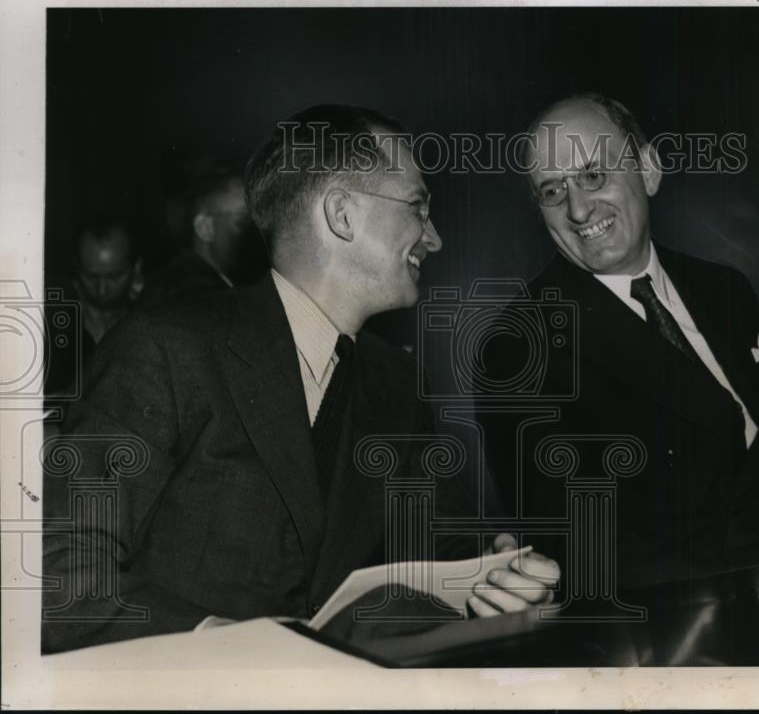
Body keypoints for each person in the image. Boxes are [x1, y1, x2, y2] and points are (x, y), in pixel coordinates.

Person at [42, 105, 558, 654]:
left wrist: (492, 570)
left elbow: (441, 543)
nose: (434, 239)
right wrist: (228, 647)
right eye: (418, 206)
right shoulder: (166, 350)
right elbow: (62, 577)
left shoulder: (398, 382)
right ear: (341, 214)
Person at [481, 94, 759, 593]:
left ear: (648, 170)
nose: (579, 207)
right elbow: (578, 541)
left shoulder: (722, 288)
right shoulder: (520, 343)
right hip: (695, 615)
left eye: (593, 175)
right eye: (552, 190)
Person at [44, 216, 142, 401]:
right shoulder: (53, 319)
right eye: (91, 276)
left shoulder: (148, 317)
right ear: (77, 267)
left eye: (115, 277)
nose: (102, 289)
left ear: (136, 268)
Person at [136, 173, 256, 309]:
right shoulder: (196, 295)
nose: (258, 230)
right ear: (204, 227)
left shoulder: (177, 282)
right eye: (244, 220)